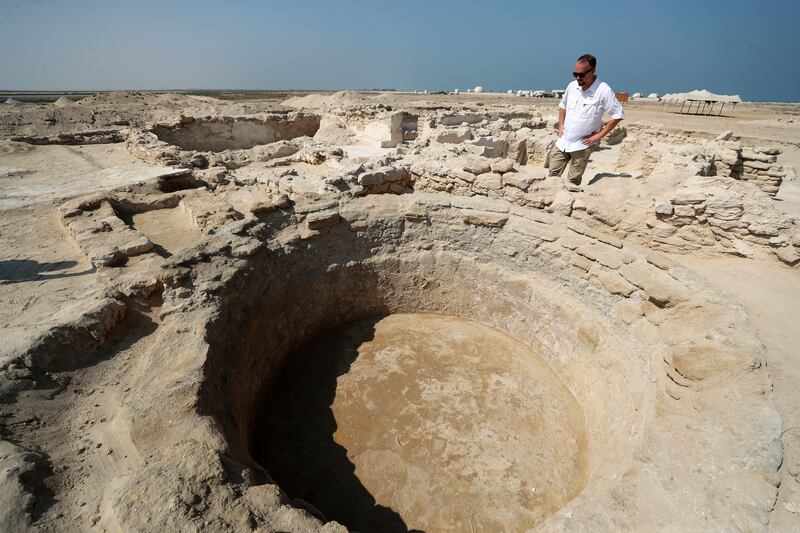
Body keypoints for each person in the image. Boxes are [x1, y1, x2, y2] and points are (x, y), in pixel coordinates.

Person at [548, 53, 624, 189]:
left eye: (581, 74)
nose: (578, 78)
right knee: (551, 177)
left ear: (593, 71)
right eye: (575, 74)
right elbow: (562, 106)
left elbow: (618, 115)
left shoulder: (603, 90)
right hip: (563, 141)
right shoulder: (572, 86)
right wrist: (561, 126)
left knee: (572, 182)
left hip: (581, 145)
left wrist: (598, 136)